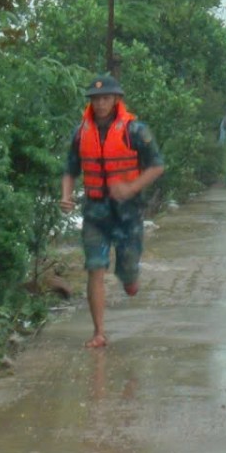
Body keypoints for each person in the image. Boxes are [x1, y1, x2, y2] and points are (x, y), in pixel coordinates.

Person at [60, 74, 165, 349]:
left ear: (116, 100)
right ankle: (99, 332)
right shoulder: (80, 132)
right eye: (96, 99)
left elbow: (157, 166)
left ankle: (130, 278)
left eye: (106, 98)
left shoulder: (136, 131)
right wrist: (66, 196)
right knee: (95, 267)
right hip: (95, 211)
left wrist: (131, 188)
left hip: (127, 212)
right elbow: (70, 170)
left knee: (127, 267)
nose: (101, 103)